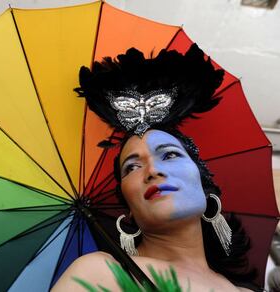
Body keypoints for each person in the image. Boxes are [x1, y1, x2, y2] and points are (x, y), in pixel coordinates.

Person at [52, 44, 257, 291]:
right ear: (128, 210)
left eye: (170, 155)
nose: (152, 171)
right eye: (132, 167)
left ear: (204, 186)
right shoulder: (102, 274)